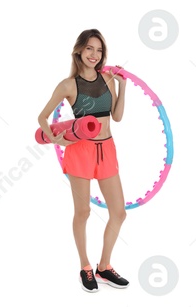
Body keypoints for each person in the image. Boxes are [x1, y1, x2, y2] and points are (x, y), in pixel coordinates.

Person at [36, 29, 131, 293]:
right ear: (79, 50)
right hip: (80, 150)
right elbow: (42, 118)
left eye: (99, 50)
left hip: (107, 149)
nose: (94, 54)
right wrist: (56, 140)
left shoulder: (108, 79)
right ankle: (85, 266)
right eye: (90, 48)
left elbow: (118, 116)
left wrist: (123, 85)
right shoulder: (68, 85)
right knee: (84, 212)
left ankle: (105, 266)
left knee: (119, 212)